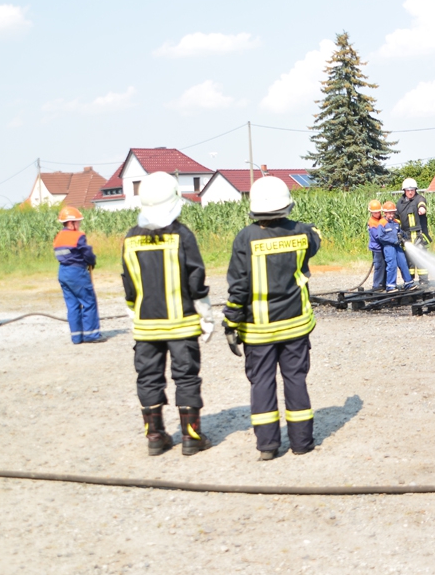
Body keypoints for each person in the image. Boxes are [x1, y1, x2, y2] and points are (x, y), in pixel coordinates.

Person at [223, 176, 322, 461]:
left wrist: (231, 321)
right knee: (295, 380)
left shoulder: (245, 238)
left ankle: (268, 446)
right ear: (287, 205)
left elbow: (238, 287)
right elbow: (315, 238)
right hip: (295, 324)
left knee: (262, 383)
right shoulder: (302, 234)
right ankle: (302, 442)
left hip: (258, 330)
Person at [121, 172, 214, 457]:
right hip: (182, 325)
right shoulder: (181, 235)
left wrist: (132, 311)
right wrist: (206, 314)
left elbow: (129, 281)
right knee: (186, 378)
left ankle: (155, 438)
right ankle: (191, 437)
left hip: (145, 326)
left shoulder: (130, 238)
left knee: (148, 378)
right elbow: (195, 278)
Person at [54, 206, 104, 344]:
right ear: (71, 223)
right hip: (76, 272)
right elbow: (86, 252)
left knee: (72, 305)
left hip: (63, 272)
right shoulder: (77, 236)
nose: (79, 224)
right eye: (78, 222)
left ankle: (76, 337)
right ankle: (91, 335)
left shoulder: (58, 237)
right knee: (89, 302)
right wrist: (92, 261)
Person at [395, 177, 431, 281]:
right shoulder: (400, 203)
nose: (410, 192)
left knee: (421, 259)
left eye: (412, 190)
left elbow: (422, 203)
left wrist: (422, 208)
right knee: (408, 260)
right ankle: (409, 281)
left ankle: (424, 281)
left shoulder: (419, 198)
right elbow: (397, 218)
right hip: (406, 236)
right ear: (404, 190)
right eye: (408, 190)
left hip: (419, 235)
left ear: (415, 190)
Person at [379, 201, 415, 291]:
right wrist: (393, 241)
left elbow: (399, 231)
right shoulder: (382, 223)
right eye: (389, 213)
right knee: (392, 265)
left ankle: (408, 283)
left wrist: (404, 235)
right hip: (389, 247)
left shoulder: (395, 222)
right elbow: (381, 236)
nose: (391, 215)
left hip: (397, 247)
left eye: (392, 213)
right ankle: (391, 286)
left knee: (403, 263)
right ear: (385, 213)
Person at [366, 199, 386, 291]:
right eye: (375, 212)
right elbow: (377, 236)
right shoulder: (372, 222)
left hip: (383, 247)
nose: (377, 214)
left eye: (378, 212)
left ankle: (384, 284)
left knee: (385, 265)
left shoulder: (382, 219)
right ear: (371, 212)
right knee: (379, 266)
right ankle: (377, 285)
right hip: (377, 248)